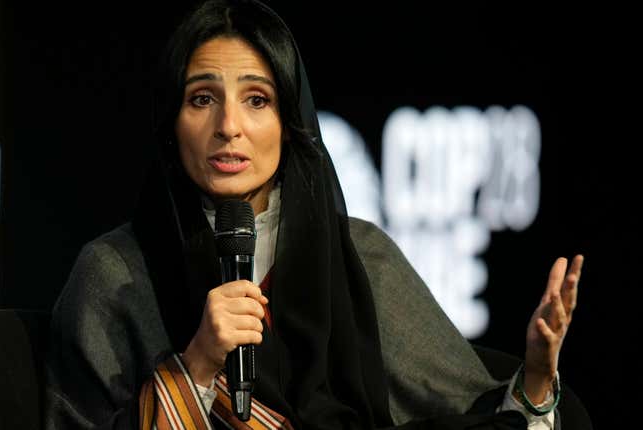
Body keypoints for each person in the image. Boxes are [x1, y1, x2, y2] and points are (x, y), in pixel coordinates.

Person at [44, 0, 584, 429]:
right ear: (170, 122)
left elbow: (469, 417)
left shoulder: (359, 257)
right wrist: (198, 366)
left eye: (257, 99)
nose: (229, 125)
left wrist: (534, 381)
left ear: (291, 121)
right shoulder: (114, 274)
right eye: (202, 99)